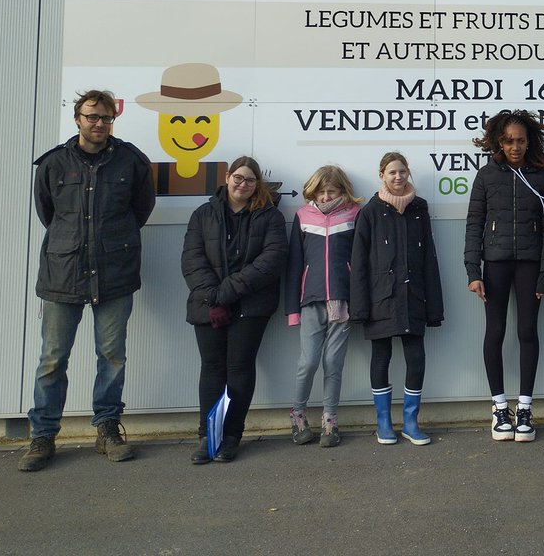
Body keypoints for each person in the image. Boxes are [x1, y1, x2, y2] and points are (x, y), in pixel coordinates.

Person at [19, 90, 155, 472]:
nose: (99, 124)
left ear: (114, 121)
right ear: (77, 118)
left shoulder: (132, 162)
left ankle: (107, 428)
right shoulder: (53, 164)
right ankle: (42, 437)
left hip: (115, 272)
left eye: (106, 118)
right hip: (63, 274)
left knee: (112, 357)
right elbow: (49, 214)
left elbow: (140, 210)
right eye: (92, 116)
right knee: (52, 359)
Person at [181, 156, 287, 464]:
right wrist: (214, 299)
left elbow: (270, 262)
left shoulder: (270, 216)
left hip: (250, 306)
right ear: (227, 177)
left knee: (240, 367)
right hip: (208, 304)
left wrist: (225, 295)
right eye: (238, 178)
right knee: (212, 368)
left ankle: (231, 436)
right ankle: (207, 436)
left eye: (250, 180)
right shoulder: (203, 214)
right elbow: (192, 260)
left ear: (257, 185)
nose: (243, 184)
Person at [464, 110, 544, 442]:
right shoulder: (487, 176)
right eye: (508, 140)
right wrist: (472, 271)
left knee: (527, 332)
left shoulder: (542, 177)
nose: (515, 146)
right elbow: (474, 224)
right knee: (495, 331)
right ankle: (498, 408)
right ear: (498, 142)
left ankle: (524, 410)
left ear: (529, 140)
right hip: (495, 264)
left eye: (520, 140)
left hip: (531, 266)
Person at [351, 152, 444, 445]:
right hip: (381, 298)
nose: (398, 177)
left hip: (414, 296)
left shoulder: (420, 209)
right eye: (391, 172)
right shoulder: (369, 212)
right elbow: (359, 263)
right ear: (382, 175)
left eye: (402, 171)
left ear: (408, 173)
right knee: (381, 358)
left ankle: (411, 421)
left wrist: (435, 307)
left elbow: (429, 256)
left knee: (416, 359)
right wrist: (360, 308)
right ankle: (383, 423)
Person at [285, 165, 363, 447]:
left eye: (332, 190)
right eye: (321, 191)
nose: (327, 196)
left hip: (342, 300)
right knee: (307, 362)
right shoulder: (303, 216)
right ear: (313, 192)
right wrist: (292, 309)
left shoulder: (355, 214)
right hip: (311, 300)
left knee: (333, 363)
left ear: (343, 190)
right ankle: (297, 416)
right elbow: (294, 264)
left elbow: (362, 260)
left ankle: (330, 422)